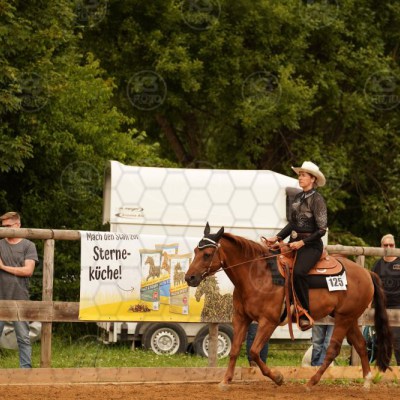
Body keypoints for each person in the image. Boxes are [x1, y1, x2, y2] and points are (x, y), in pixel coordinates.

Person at [267, 161, 328, 329]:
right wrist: (277, 237)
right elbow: (293, 224)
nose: (300, 178)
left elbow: (322, 229)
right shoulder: (298, 198)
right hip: (293, 243)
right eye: (299, 175)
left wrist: (302, 242)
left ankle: (304, 312)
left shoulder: (317, 200)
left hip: (311, 246)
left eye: (303, 175)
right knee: (273, 263)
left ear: (313, 179)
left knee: (299, 272)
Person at [0, 211, 39, 368]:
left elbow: (28, 271)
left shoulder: (29, 245)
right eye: (3, 227)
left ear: (18, 225)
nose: (5, 229)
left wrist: (3, 267)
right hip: (0, 297)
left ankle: (26, 372)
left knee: (23, 338)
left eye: (8, 226)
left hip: (20, 298)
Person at [372, 233, 400, 365]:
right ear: (381, 246)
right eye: (385, 245)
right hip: (380, 307)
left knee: (397, 340)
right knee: (380, 340)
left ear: (395, 246)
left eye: (391, 245)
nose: (388, 247)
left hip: (398, 307)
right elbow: (371, 287)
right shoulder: (377, 265)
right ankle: (383, 369)